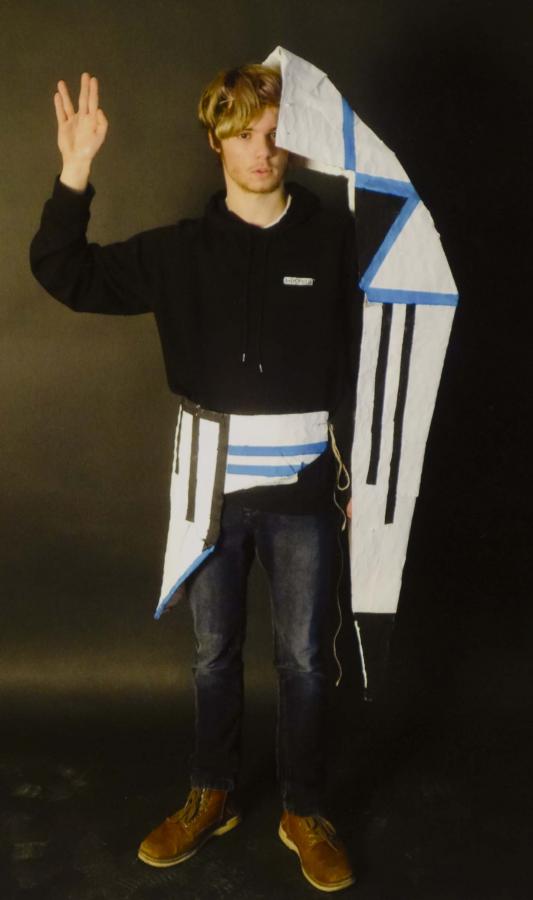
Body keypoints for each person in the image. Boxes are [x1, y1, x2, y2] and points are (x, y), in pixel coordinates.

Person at [30, 64, 360, 893]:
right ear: (215, 140)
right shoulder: (177, 252)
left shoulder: (332, 241)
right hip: (209, 491)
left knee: (304, 661)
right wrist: (75, 170)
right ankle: (210, 794)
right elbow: (64, 271)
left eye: (274, 132)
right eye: (243, 134)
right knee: (213, 655)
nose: (261, 150)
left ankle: (303, 809)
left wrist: (363, 473)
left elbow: (364, 357)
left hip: (304, 493)